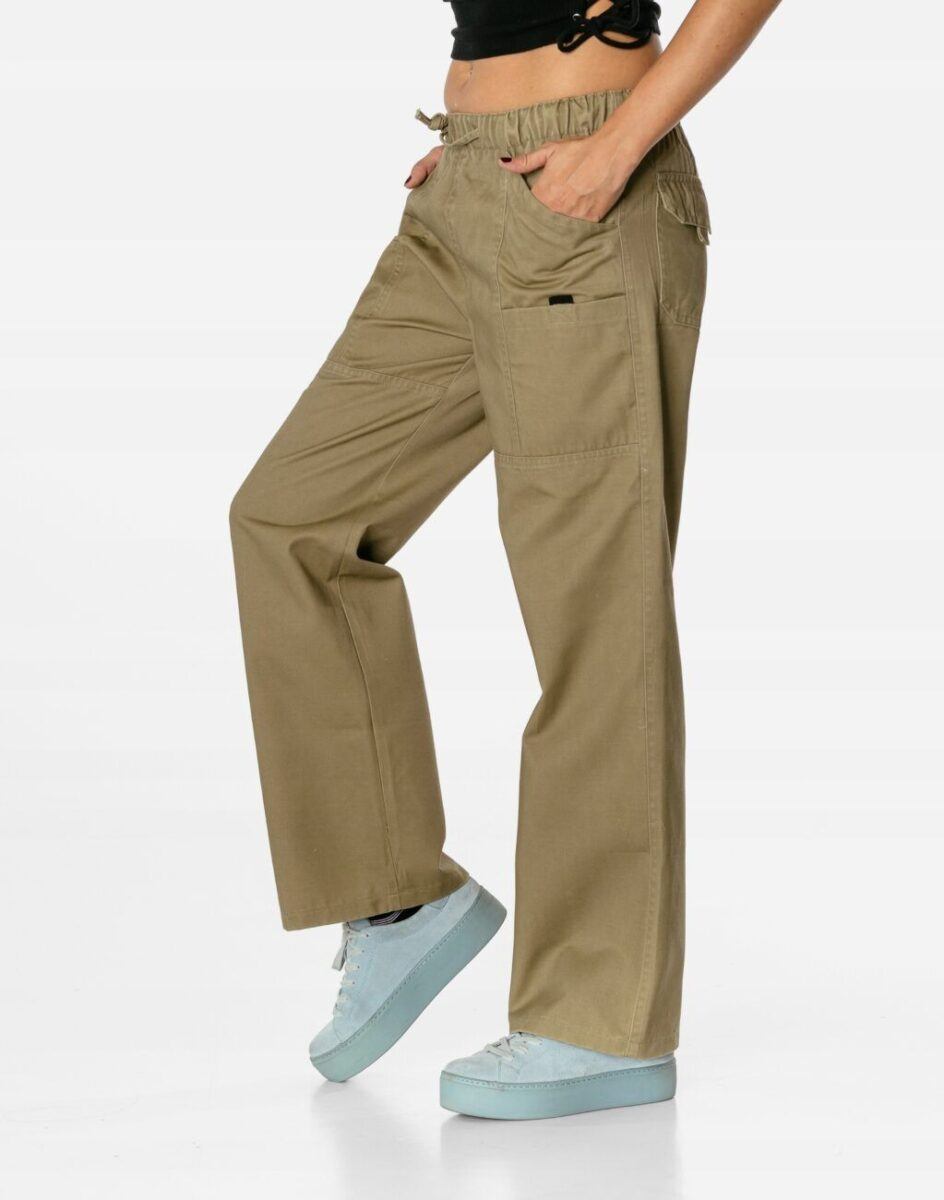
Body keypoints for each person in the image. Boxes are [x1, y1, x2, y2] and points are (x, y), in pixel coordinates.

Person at [230, 0, 780, 1120]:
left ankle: (599, 1020)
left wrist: (617, 146)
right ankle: (398, 898)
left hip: (589, 180)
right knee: (290, 523)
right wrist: (477, 157)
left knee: (592, 616)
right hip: (467, 190)